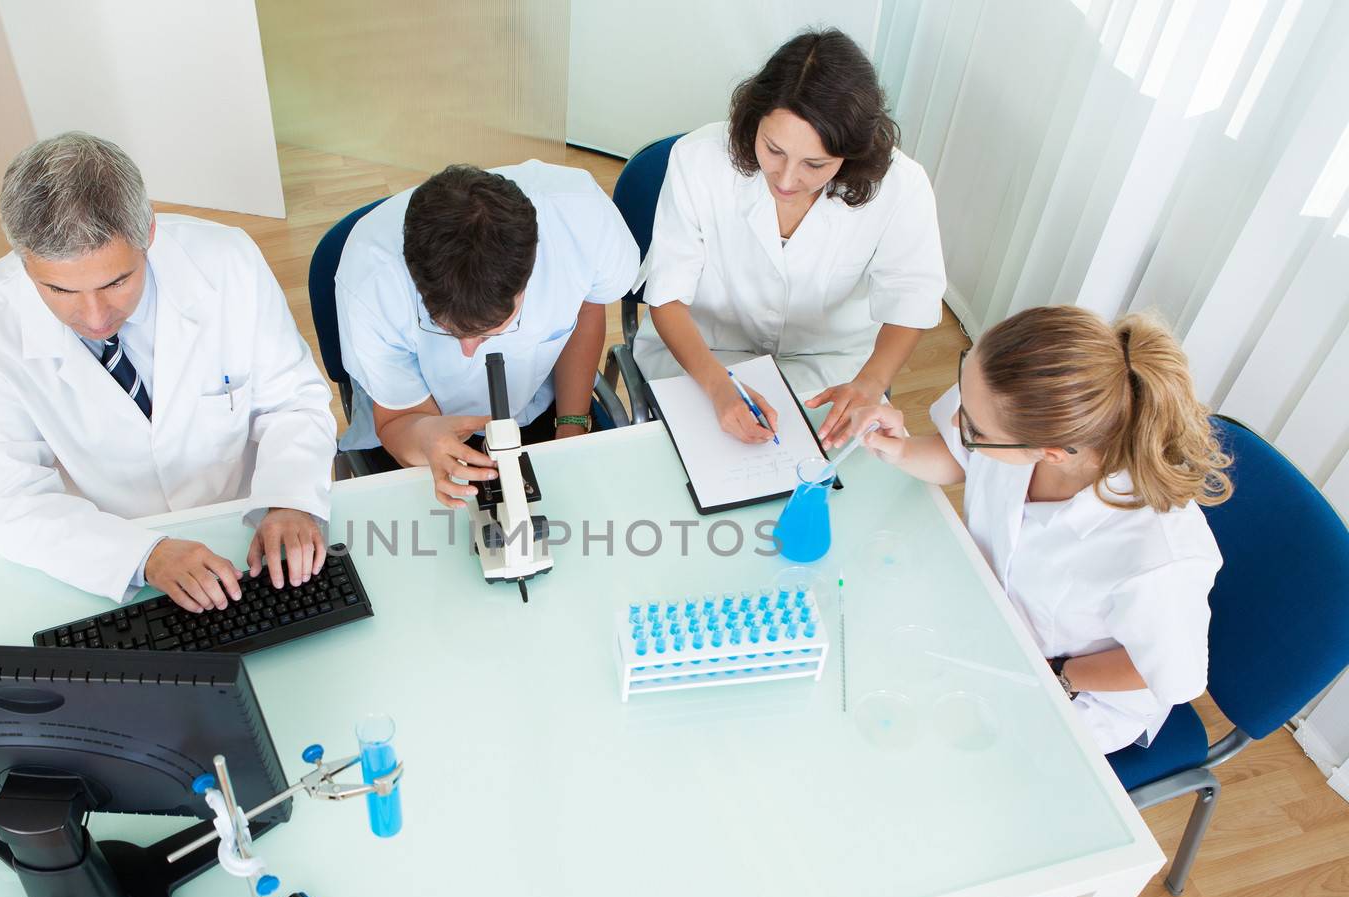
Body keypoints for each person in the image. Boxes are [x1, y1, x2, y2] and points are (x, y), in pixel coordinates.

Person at [0, 132, 336, 612]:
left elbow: (292, 401)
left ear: (148, 231)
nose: (94, 316)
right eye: (60, 290)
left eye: (117, 281)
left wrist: (290, 499)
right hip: (105, 555)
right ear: (24, 261)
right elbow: (8, 500)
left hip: (248, 532)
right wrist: (144, 555)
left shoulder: (226, 261)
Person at [846, 305, 1230, 754]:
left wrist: (1062, 673)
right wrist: (900, 450)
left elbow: (1171, 677)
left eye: (972, 425)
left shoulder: (1160, 557)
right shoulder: (1012, 404)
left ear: (1050, 453)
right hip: (985, 623)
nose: (956, 422)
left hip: (1070, 689)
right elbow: (959, 456)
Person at [635, 29, 946, 446]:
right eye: (773, 150)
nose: (786, 179)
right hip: (704, 356)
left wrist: (872, 382)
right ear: (753, 121)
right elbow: (666, 295)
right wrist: (717, 385)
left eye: (815, 164)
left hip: (831, 371)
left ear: (852, 153)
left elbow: (912, 297)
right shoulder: (698, 159)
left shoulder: (901, 186)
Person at [335, 162, 639, 506]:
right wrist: (425, 438)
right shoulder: (373, 280)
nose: (468, 352)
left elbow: (586, 306)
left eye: (486, 334)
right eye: (446, 330)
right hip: (418, 418)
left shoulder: (584, 223)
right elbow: (396, 418)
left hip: (538, 402)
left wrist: (570, 426)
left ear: (526, 280)